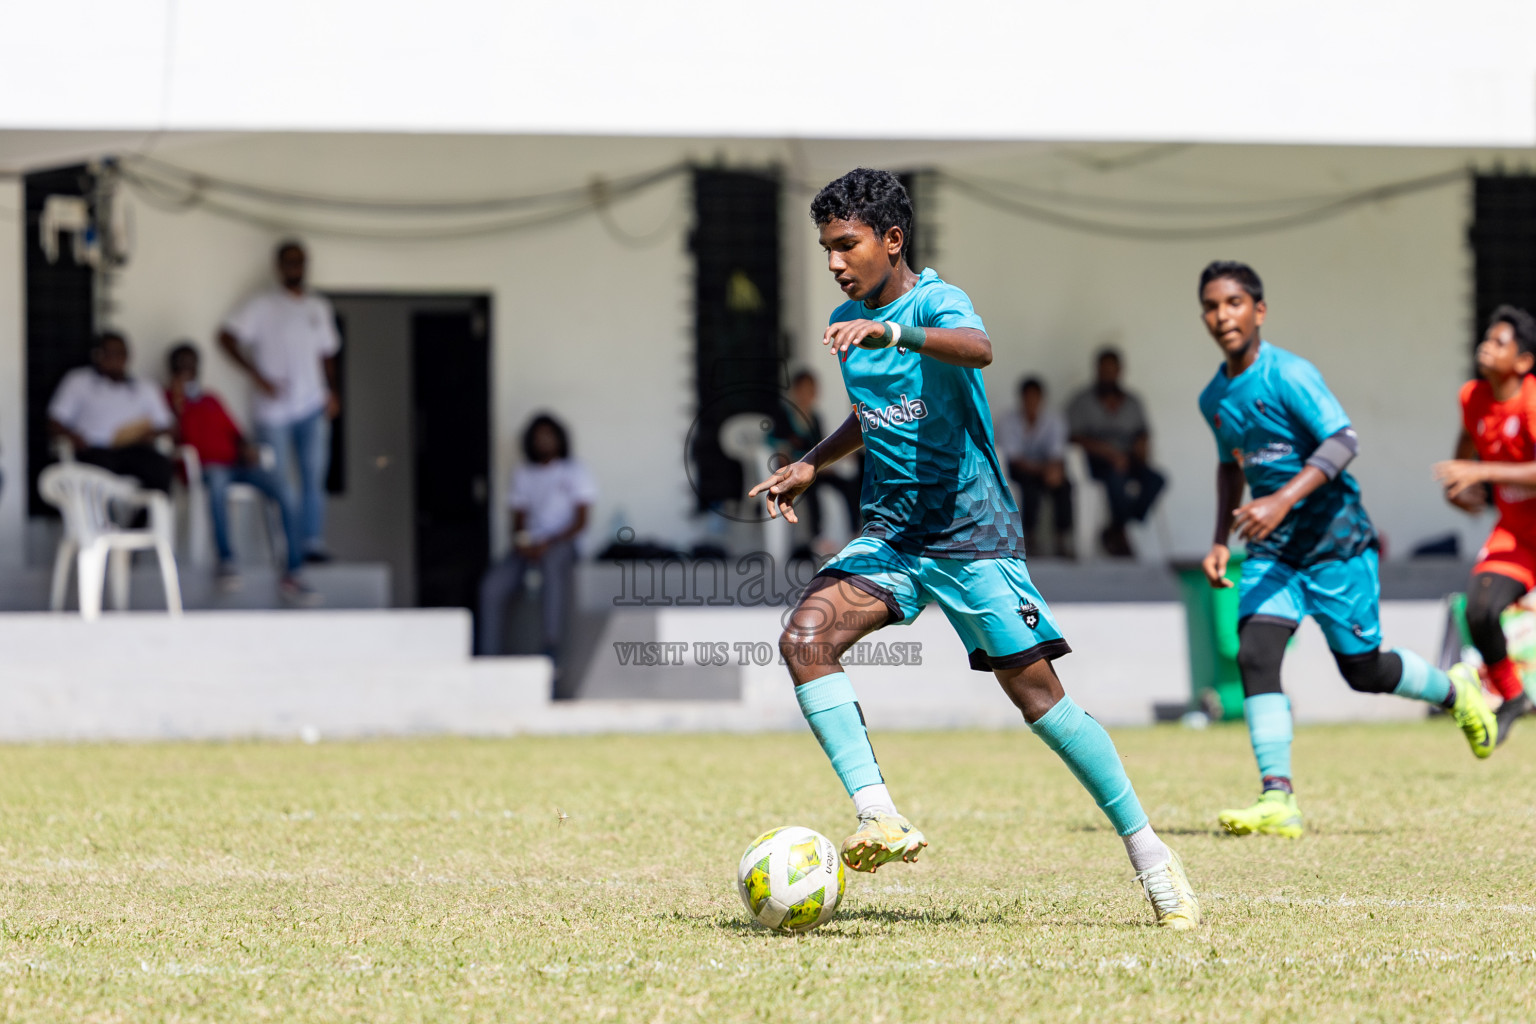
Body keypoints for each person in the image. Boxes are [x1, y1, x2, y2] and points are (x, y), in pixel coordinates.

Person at [748, 168, 1200, 929]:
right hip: (892, 539)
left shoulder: (933, 302)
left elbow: (978, 348)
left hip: (972, 540)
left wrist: (892, 329)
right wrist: (810, 463)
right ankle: (879, 815)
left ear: (893, 241)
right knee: (805, 636)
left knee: (1041, 703)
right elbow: (873, 411)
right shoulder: (851, 325)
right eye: (825, 248)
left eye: (846, 245)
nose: (833, 262)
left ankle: (1152, 857)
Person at [1196, 260, 1496, 840]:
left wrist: (1281, 499)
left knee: (1363, 669)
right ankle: (1277, 798)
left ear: (1259, 310)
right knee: (1255, 653)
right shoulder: (1215, 397)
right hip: (1273, 551)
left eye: (1233, 303)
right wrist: (1215, 539)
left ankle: (1457, 691)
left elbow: (1343, 439)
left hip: (1335, 542)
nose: (1221, 315)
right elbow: (1227, 465)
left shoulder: (1290, 374)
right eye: (1210, 306)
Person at [1433, 304, 1536, 744]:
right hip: (1517, 535)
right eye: (1487, 338)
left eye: (1500, 342)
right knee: (1479, 608)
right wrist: (1457, 490)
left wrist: (1483, 473)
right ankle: (1513, 697)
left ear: (1523, 361)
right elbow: (1464, 459)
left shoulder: (1532, 401)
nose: (1486, 346)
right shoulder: (1472, 396)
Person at [218, 240, 341, 564]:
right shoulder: (261, 305)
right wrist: (257, 376)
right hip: (273, 411)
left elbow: (327, 354)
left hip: (312, 405)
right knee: (280, 482)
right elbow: (226, 337)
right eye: (288, 261)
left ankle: (311, 542)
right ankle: (285, 547)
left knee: (314, 477)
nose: (294, 267)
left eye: (299, 261)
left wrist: (332, 391)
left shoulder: (318, 307)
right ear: (278, 266)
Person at [166, 343, 316, 603]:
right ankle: (226, 561)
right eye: (182, 364)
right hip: (205, 470)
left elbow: (236, 434)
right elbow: (170, 438)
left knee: (285, 489)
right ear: (172, 369)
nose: (187, 370)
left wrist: (248, 448)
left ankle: (293, 572)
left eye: (192, 364)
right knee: (217, 482)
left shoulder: (211, 399)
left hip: (237, 465)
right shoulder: (165, 399)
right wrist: (178, 405)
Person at [477, 414, 597, 667]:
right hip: (529, 545)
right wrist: (524, 542)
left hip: (563, 545)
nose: (543, 441)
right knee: (492, 585)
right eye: (538, 437)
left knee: (552, 567)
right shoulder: (523, 473)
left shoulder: (574, 470)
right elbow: (518, 517)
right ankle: (488, 655)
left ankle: (550, 646)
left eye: (548, 436)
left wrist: (549, 543)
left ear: (559, 438)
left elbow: (581, 520)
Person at [1066, 348, 1165, 557]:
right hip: (1097, 461)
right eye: (1104, 370)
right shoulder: (1082, 401)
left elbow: (1143, 432)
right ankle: (1120, 535)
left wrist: (1141, 446)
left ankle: (1116, 528)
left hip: (1129, 459)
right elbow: (1073, 437)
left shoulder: (1132, 402)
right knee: (1115, 478)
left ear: (1120, 371)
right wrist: (1108, 452)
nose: (1108, 374)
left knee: (1156, 480)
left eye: (1112, 370)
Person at [48, 331, 175, 493]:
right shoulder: (78, 381)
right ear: (97, 355)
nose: (114, 358)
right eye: (108, 353)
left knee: (161, 467)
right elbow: (54, 421)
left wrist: (152, 433)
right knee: (96, 475)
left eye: (119, 353)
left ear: (128, 356)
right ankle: (100, 519)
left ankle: (144, 518)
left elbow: (169, 426)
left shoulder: (145, 388)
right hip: (94, 449)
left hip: (134, 448)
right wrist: (73, 437)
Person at [768, 369, 861, 555]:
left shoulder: (815, 418)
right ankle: (816, 538)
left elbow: (820, 448)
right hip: (793, 472)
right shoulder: (783, 416)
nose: (808, 394)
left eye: (812, 389)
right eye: (804, 389)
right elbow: (778, 451)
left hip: (817, 470)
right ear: (795, 390)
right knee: (809, 487)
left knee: (849, 484)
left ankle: (856, 532)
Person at [998, 376, 1074, 557]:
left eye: (1035, 397)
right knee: (1030, 489)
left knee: (1064, 486)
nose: (1031, 402)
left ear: (1041, 399)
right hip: (1021, 471)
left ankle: (1063, 538)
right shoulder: (1008, 421)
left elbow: (1057, 453)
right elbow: (1014, 458)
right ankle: (1029, 538)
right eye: (1027, 397)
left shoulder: (1054, 420)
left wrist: (1053, 472)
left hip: (1046, 469)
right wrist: (1043, 470)